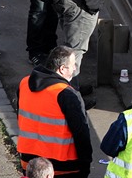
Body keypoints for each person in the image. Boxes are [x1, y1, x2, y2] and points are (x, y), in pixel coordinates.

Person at [17, 46, 92, 177]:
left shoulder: (24, 84)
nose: (75, 68)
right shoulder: (67, 94)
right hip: (63, 166)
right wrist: (85, 166)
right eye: (73, 64)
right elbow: (81, 134)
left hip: (30, 164)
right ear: (62, 69)